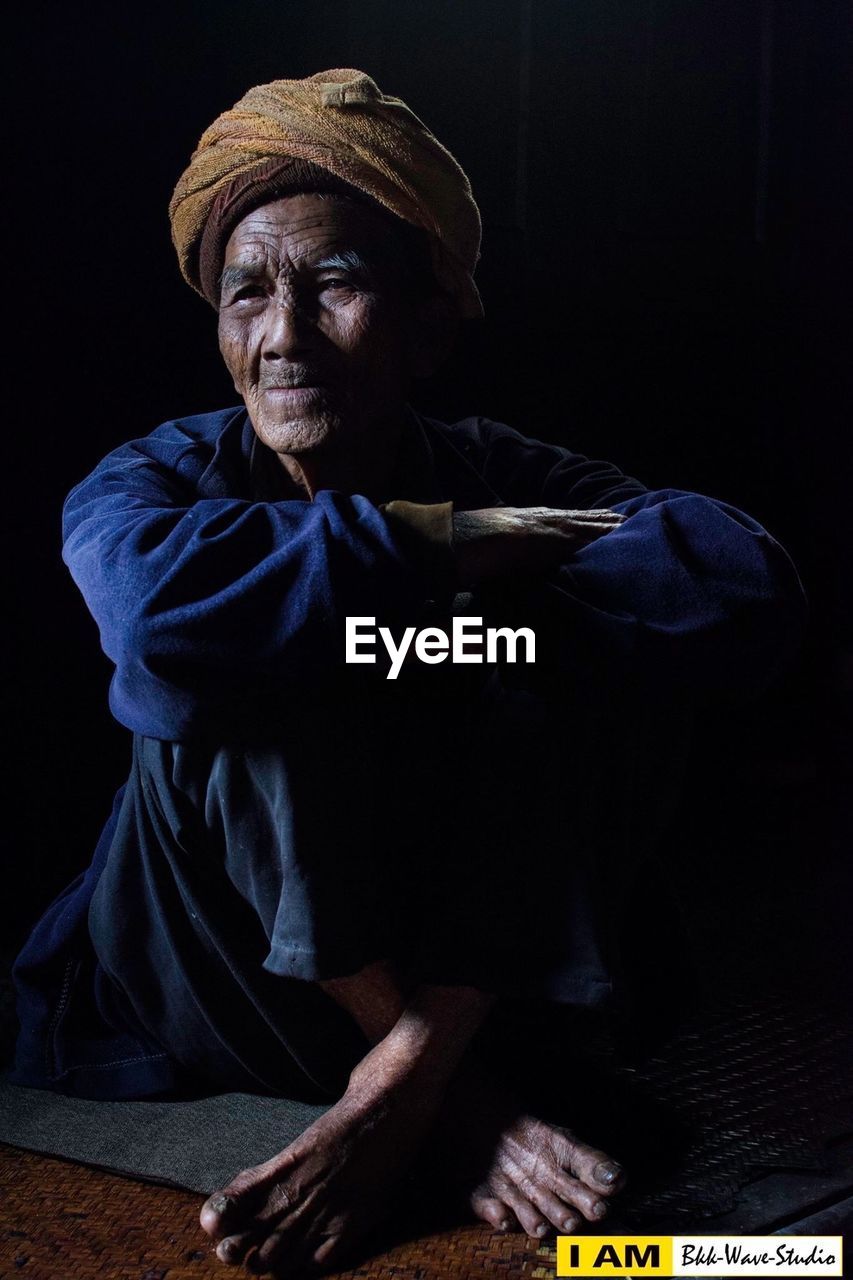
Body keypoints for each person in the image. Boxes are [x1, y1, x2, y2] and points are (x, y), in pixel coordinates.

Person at [12, 69, 807, 1276]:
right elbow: (156, 621)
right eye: (247, 297)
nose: (283, 335)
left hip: (454, 952)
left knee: (577, 649)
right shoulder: (153, 479)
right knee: (244, 659)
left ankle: (403, 1080)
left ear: (429, 322)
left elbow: (742, 585)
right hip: (208, 977)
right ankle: (461, 1099)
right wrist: (443, 543)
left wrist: (488, 607)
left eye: (334, 283)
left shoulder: (493, 458)